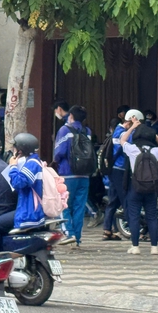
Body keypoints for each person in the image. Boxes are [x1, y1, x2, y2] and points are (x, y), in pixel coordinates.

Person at [120, 110, 158, 255]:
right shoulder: (156, 151)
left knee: (134, 216)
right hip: (152, 188)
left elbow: (122, 140)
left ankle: (135, 247)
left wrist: (132, 127)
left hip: (136, 187)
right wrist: (156, 136)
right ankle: (154, 247)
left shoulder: (133, 149)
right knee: (152, 216)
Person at [53, 105, 93, 247]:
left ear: (71, 116)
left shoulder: (64, 130)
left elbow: (59, 152)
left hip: (67, 173)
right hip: (84, 174)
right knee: (79, 207)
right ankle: (77, 238)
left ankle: (68, 233)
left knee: (63, 204)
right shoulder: (87, 131)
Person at [7, 133, 45, 230]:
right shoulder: (32, 162)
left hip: (28, 213)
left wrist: (13, 166)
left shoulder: (32, 164)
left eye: (15, 148)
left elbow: (18, 182)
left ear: (20, 150)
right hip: (28, 211)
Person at [102, 117, 131, 240]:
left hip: (114, 170)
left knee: (113, 200)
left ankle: (107, 229)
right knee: (126, 200)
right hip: (120, 169)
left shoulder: (116, 131)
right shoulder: (123, 132)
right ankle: (134, 229)